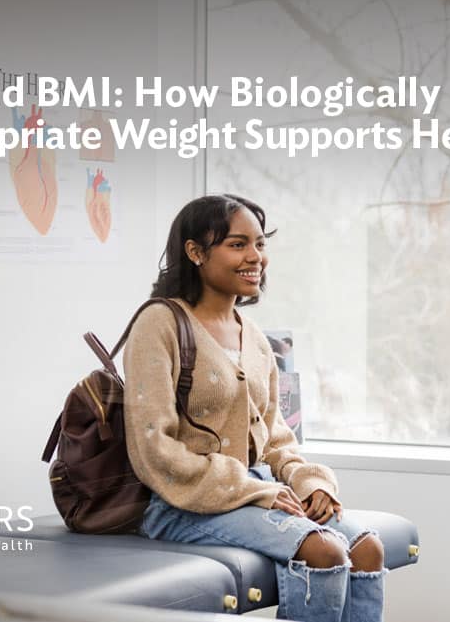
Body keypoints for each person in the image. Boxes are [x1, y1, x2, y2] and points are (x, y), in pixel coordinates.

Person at [123, 194, 386, 622]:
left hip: (254, 491)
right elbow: (154, 448)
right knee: (324, 550)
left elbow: (276, 439)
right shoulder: (160, 323)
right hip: (182, 504)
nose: (255, 258)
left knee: (368, 549)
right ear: (195, 252)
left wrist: (312, 484)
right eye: (237, 244)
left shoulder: (255, 337)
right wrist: (255, 490)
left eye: (260, 245)